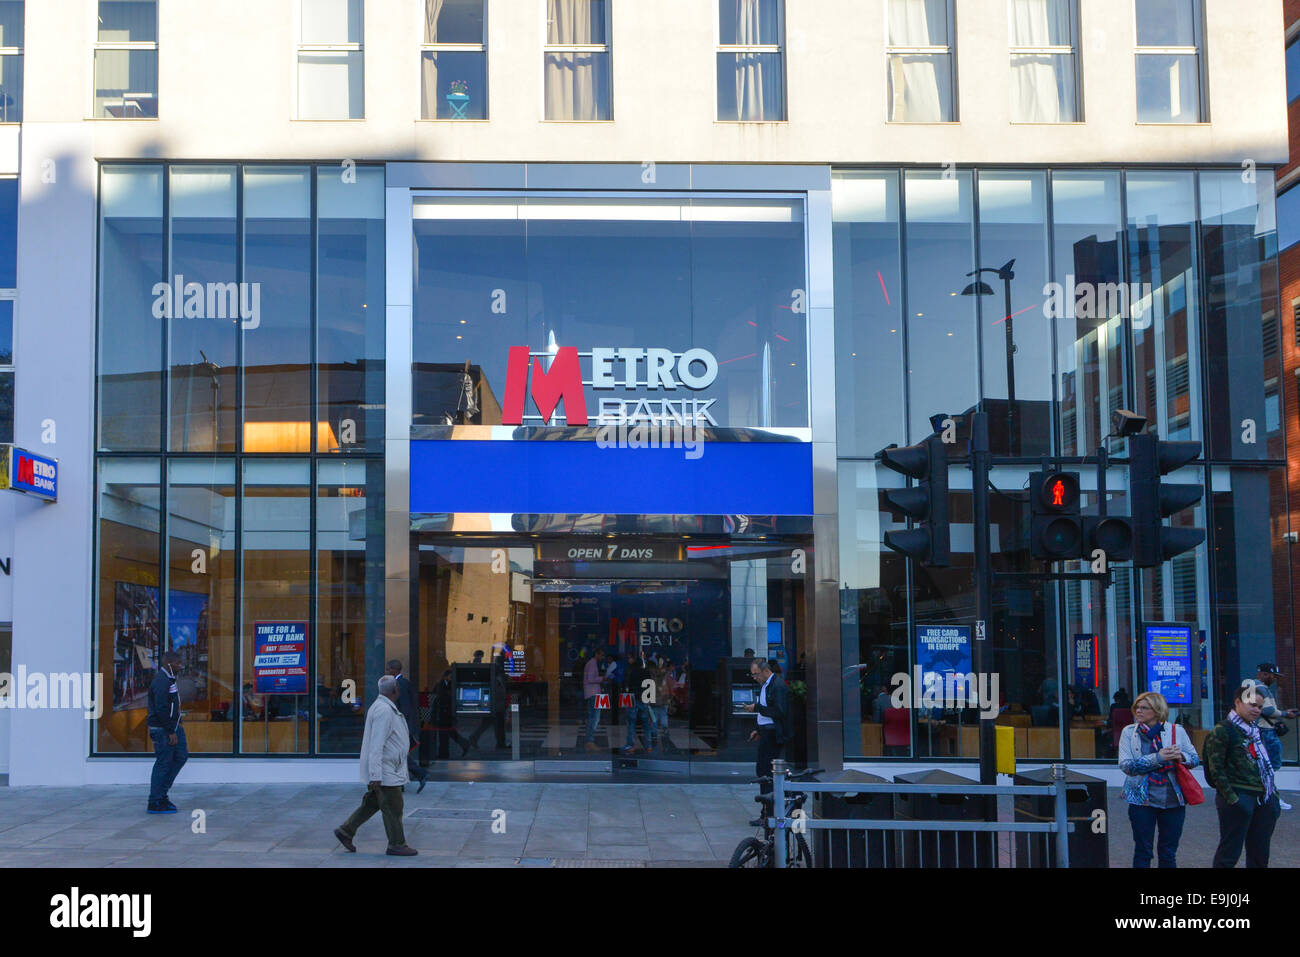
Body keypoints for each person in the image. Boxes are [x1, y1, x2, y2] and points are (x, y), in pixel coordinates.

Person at [333, 674, 418, 856]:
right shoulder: (384, 710)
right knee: (394, 806)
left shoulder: (383, 707)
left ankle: (345, 831)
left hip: (386, 767)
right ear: (396, 691)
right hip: (384, 769)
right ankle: (397, 844)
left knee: (372, 803)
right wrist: (376, 775)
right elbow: (376, 744)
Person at [1204, 682, 1281, 868]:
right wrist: (1232, 798)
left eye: (1260, 707)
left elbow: (1263, 765)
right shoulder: (1223, 730)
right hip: (1239, 796)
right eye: (1252, 705)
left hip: (1264, 797)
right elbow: (1216, 770)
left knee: (1260, 852)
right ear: (1238, 702)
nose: (1256, 710)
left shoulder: (1255, 731)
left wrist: (1274, 799)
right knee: (1230, 851)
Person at [1118, 691, 1199, 868]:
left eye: (1144, 708)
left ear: (1157, 710)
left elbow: (1195, 759)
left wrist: (1181, 757)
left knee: (1168, 852)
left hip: (1172, 799)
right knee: (1143, 851)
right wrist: (1158, 758)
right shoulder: (1129, 732)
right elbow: (1126, 766)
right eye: (1137, 708)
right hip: (1142, 800)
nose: (1138, 711)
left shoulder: (1177, 730)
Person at [744, 657, 790, 818]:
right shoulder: (766, 685)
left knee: (766, 773)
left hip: (772, 734)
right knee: (762, 771)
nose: (755, 678)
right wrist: (758, 729)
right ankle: (767, 811)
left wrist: (757, 708)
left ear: (765, 670)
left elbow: (779, 711)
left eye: (756, 674)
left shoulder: (777, 686)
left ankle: (769, 812)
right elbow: (767, 712)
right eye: (753, 675)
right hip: (766, 731)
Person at [1247, 663, 1296, 809]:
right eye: (1272, 675)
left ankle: (1266, 794)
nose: (1274, 679)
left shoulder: (1254, 687)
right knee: (1269, 765)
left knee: (1265, 765)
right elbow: (1267, 711)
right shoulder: (1261, 688)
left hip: (1262, 730)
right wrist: (1286, 714)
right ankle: (1270, 796)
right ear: (1262, 674)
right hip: (1265, 731)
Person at [146, 650, 188, 814]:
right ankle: (155, 800)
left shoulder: (169, 679)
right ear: (169, 664)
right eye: (178, 664)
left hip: (173, 726)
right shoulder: (161, 681)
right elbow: (162, 708)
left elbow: (171, 706)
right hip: (164, 729)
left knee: (181, 756)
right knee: (164, 762)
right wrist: (170, 730)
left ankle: (161, 794)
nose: (181, 666)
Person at [386, 659, 426, 792]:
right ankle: (401, 783)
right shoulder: (402, 683)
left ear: (394, 670)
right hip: (403, 725)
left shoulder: (400, 684)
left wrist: (398, 725)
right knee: (398, 754)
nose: (387, 671)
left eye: (388, 669)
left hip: (402, 726)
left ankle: (419, 774)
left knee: (398, 754)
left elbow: (405, 708)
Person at [467, 655, 509, 752]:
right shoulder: (494, 678)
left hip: (497, 706)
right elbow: (495, 692)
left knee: (488, 724)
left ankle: (474, 738)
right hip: (495, 706)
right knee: (497, 725)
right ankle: (500, 743)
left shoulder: (498, 678)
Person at [621, 651, 657, 753]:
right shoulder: (645, 671)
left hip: (632, 698)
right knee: (646, 723)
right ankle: (648, 745)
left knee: (631, 722)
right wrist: (650, 699)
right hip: (644, 699)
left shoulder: (630, 670)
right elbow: (650, 684)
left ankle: (631, 745)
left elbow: (626, 685)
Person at [431, 669, 471, 758]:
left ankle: (444, 753)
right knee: (447, 732)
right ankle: (463, 744)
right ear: (445, 676)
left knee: (445, 733)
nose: (451, 678)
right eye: (450, 676)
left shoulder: (447, 685)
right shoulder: (442, 685)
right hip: (443, 712)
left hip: (445, 712)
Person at [583, 648, 606, 752]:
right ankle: (590, 741)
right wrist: (602, 678)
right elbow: (591, 679)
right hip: (594, 694)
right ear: (596, 654)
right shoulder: (592, 663)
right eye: (601, 655)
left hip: (592, 693)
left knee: (592, 718)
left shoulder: (591, 663)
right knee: (594, 718)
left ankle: (589, 741)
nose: (602, 657)